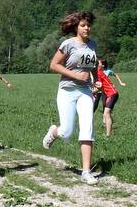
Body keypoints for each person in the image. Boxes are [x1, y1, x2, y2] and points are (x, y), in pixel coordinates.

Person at [42, 11, 99, 185]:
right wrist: (75, 75)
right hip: (67, 91)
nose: (86, 28)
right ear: (76, 27)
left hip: (85, 92)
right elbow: (53, 65)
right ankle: (53, 132)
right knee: (66, 131)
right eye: (83, 25)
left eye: (88, 25)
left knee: (87, 128)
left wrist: (95, 80)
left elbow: (94, 65)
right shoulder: (68, 44)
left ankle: (86, 171)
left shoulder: (93, 45)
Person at [93, 59, 125, 137]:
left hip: (112, 94)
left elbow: (99, 88)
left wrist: (91, 92)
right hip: (109, 94)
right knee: (107, 114)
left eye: (99, 63)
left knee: (106, 113)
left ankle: (108, 135)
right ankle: (110, 131)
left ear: (101, 66)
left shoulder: (99, 73)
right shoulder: (98, 73)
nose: (97, 63)